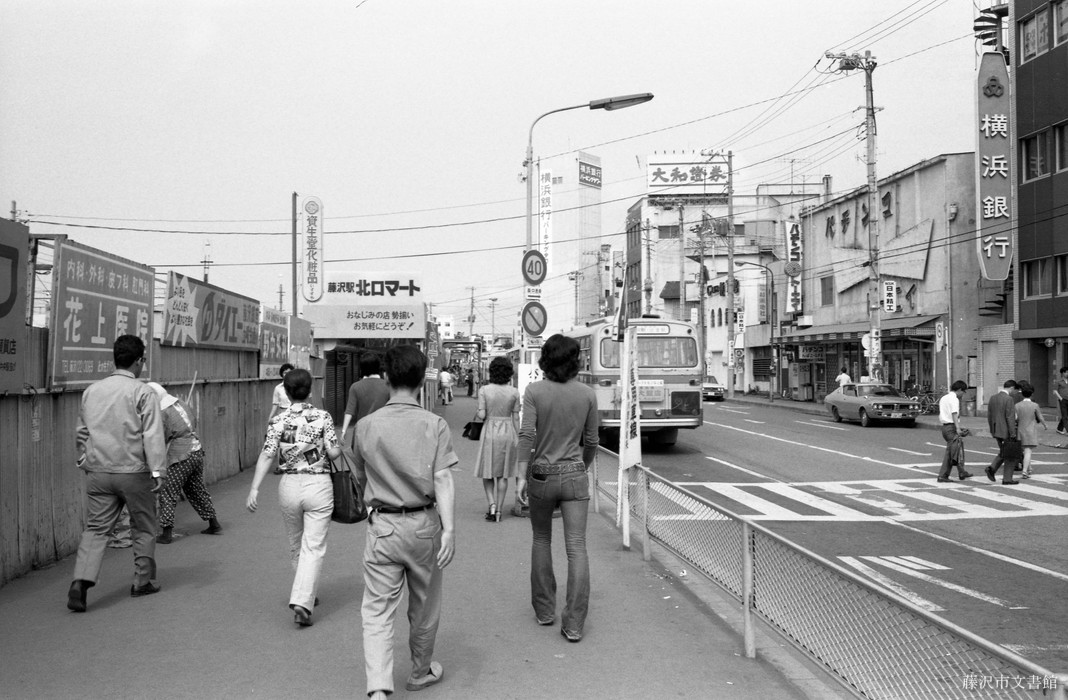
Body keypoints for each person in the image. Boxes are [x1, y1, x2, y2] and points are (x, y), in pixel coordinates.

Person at [351, 345, 457, 699]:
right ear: (421, 378)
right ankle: (420, 671)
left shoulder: (365, 426)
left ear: (386, 378)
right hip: (425, 524)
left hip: (382, 525)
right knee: (425, 605)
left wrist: (370, 506)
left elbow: (358, 474)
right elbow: (442, 479)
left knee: (377, 610)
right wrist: (450, 530)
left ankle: (379, 687)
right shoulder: (434, 424)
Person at [67, 335, 167, 612]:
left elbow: (81, 432)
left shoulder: (92, 391)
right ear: (138, 361)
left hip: (98, 472)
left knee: (97, 530)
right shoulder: (142, 392)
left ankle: (81, 581)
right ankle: (142, 581)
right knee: (144, 526)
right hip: (133, 472)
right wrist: (158, 470)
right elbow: (152, 434)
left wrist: (85, 459)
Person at [517, 334, 600, 643]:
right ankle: (574, 624)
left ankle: (544, 610)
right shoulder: (588, 394)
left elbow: (527, 435)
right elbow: (591, 441)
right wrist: (583, 466)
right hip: (575, 476)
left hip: (540, 475)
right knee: (577, 547)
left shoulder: (534, 391)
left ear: (545, 360)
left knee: (541, 540)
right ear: (576, 360)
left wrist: (519, 476)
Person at [246, 369, 341, 627]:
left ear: (286, 393)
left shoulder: (277, 421)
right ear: (310, 391)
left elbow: (267, 454)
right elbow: (333, 454)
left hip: (288, 485)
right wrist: (335, 446)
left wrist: (254, 488)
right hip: (318, 485)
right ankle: (302, 600)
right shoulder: (322, 416)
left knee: (296, 543)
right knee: (314, 546)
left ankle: (306, 594)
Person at [146, 382, 221, 544]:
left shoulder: (163, 411)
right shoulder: (182, 404)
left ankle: (166, 533)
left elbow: (160, 437)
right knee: (197, 489)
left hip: (181, 455)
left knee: (167, 491)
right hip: (196, 450)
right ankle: (213, 522)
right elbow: (193, 422)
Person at [473, 356, 520, 522]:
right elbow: (515, 418)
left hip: (490, 431)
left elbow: (482, 414)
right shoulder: (514, 392)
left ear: (491, 371)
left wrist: (479, 411)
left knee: (488, 471)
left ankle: (491, 505)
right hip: (508, 432)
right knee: (503, 474)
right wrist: (518, 437)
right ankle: (500, 510)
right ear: (509, 373)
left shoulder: (484, 390)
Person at [340, 352, 390, 452]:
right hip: (383, 433)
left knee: (360, 465)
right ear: (378, 367)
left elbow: (349, 411)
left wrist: (343, 430)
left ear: (362, 368)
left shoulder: (355, 387)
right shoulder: (388, 386)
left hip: (362, 433)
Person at [985, 379, 1020, 485]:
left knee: (1004, 452)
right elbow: (1010, 417)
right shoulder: (1009, 399)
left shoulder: (993, 398)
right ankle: (1006, 478)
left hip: (996, 430)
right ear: (1011, 388)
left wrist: (992, 430)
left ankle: (992, 469)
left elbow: (989, 416)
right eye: (1015, 390)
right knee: (1010, 455)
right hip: (1006, 431)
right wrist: (1013, 432)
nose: (1015, 393)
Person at [936, 381, 972, 482]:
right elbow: (954, 413)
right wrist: (958, 428)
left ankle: (962, 471)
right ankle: (943, 475)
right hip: (951, 427)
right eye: (963, 392)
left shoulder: (944, 398)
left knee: (956, 449)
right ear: (960, 390)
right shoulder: (954, 399)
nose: (963, 395)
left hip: (945, 427)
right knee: (952, 451)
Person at [1016, 383, 1047, 479]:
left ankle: (1029, 468)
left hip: (1020, 429)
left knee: (1025, 450)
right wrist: (1045, 425)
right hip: (1031, 430)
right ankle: (1025, 471)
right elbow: (1040, 417)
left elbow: (1015, 418)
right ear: (1032, 394)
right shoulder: (1035, 405)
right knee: (1028, 450)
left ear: (1022, 394)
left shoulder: (1017, 405)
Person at [1054, 366, 1068, 435]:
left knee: (1065, 415)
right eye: (1067, 372)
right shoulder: (1058, 382)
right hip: (1063, 400)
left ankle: (1059, 429)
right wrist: (1061, 399)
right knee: (1065, 415)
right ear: (1063, 373)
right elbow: (1055, 391)